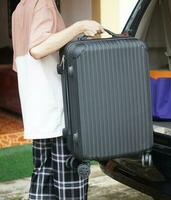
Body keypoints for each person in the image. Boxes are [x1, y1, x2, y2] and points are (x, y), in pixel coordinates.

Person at [12, 0, 104, 199]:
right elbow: (37, 48)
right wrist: (80, 26)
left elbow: (21, 63)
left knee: (43, 177)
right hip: (59, 110)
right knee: (69, 180)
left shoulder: (20, 7)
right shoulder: (43, 2)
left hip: (38, 110)